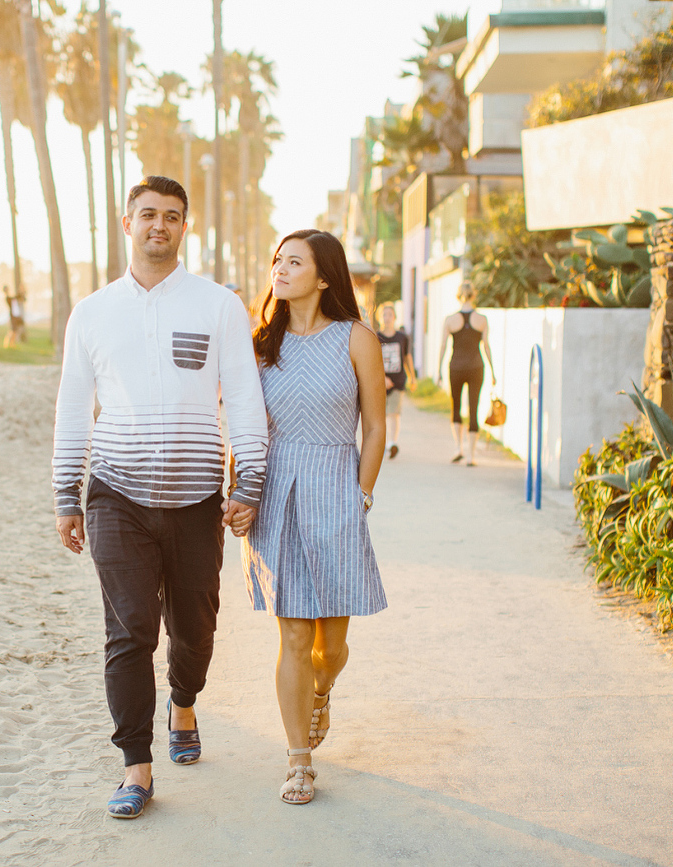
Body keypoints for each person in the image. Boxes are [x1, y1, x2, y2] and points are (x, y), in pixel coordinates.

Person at [52, 175, 268, 819]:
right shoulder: (92, 312)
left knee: (194, 628)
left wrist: (246, 482)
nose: (160, 226)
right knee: (130, 629)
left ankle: (184, 702)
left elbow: (246, 399)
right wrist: (67, 492)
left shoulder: (218, 306)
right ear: (127, 223)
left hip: (199, 499)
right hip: (115, 494)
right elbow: (72, 407)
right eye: (148, 215)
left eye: (172, 217)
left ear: (184, 228)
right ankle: (135, 768)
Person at [239, 229, 387, 805]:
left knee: (332, 647)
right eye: (277, 258)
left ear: (324, 276)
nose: (280, 267)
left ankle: (322, 689)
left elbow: (373, 427)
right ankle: (299, 761)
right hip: (278, 493)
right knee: (294, 634)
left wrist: (362, 494)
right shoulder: (260, 344)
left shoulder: (356, 338)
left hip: (336, 491)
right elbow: (248, 430)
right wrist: (240, 490)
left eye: (293, 261)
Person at [437, 282, 497, 466]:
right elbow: (486, 346)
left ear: (458, 296)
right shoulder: (482, 319)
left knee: (456, 407)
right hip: (476, 368)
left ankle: (458, 448)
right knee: (474, 408)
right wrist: (493, 371)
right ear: (474, 295)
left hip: (455, 367)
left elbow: (443, 346)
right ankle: (471, 455)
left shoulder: (449, 320)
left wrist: (439, 370)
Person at [376, 302, 415, 459]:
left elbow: (407, 357)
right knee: (382, 415)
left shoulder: (402, 337)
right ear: (381, 317)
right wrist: (382, 378)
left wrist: (412, 377)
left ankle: (393, 443)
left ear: (395, 317)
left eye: (390, 315)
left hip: (398, 380)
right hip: (380, 382)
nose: (387, 318)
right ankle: (384, 444)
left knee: (394, 413)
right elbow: (373, 360)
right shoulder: (376, 337)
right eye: (384, 315)